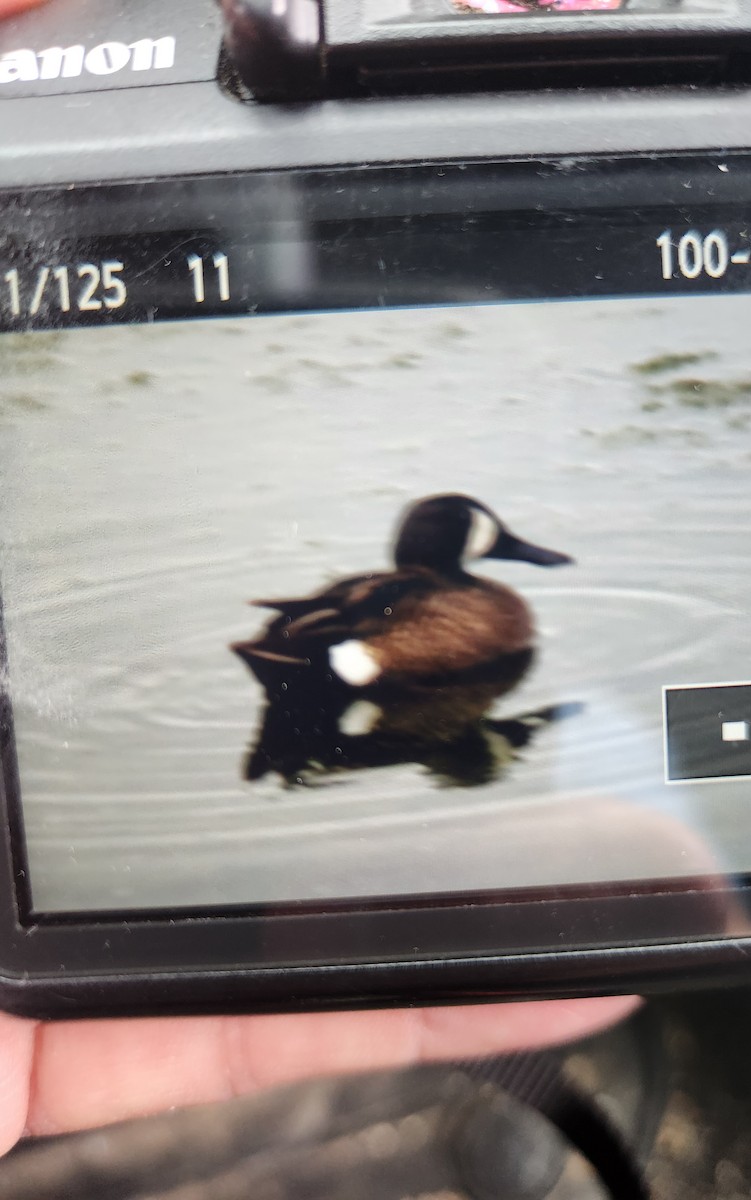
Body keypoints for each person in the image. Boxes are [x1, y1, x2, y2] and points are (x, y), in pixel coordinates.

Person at [0, 0, 639, 1155]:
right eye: (494, 540)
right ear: (452, 549)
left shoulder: (419, 585)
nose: (512, 556)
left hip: (335, 644)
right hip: (349, 667)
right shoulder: (480, 615)